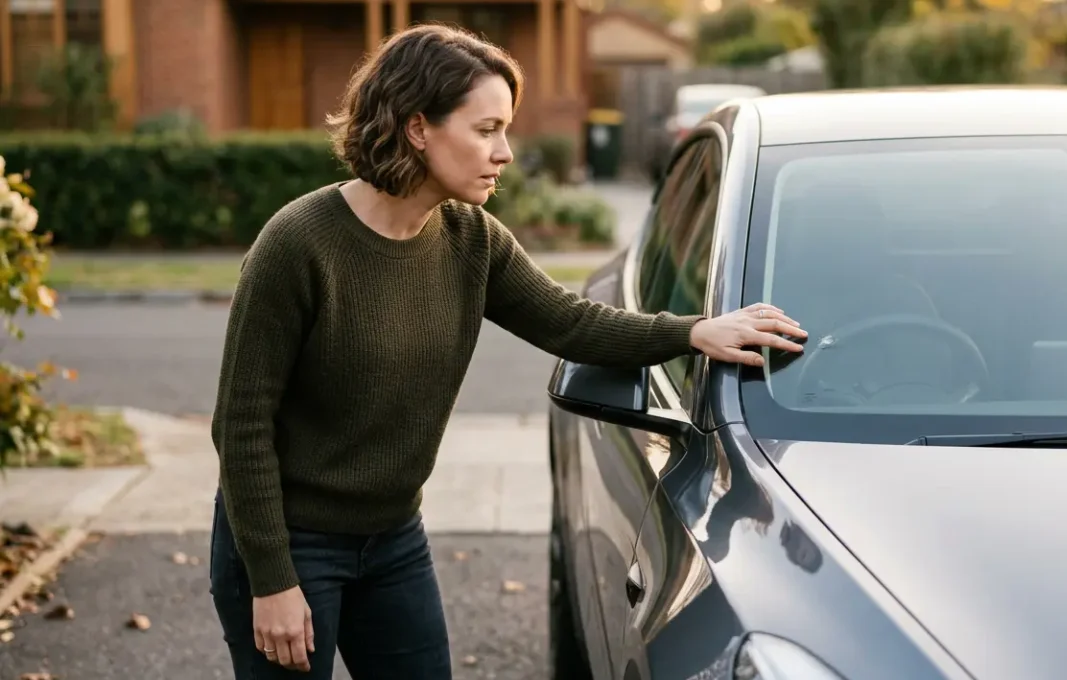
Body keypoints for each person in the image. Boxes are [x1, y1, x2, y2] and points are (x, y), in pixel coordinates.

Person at [207, 22, 808, 680]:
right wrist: (271, 581)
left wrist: (693, 332)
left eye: (505, 129)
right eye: (486, 129)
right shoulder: (298, 245)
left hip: (391, 541)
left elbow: (570, 322)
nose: (505, 152)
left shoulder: (472, 240)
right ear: (417, 128)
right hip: (287, 547)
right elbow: (241, 426)